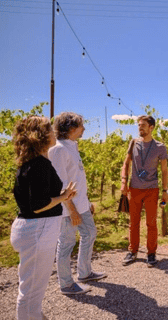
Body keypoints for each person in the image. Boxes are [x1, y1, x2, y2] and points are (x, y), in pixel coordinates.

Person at [11, 116, 77, 319]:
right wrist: (63, 197)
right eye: (49, 129)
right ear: (40, 136)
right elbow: (38, 206)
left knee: (30, 288)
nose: (53, 133)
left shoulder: (33, 163)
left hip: (32, 229)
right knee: (31, 293)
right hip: (37, 230)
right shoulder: (39, 165)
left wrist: (62, 196)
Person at [49, 112, 106, 295]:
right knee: (66, 244)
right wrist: (72, 210)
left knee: (89, 233)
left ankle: (85, 272)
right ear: (71, 128)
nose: (84, 129)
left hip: (81, 204)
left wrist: (86, 202)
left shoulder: (72, 146)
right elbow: (60, 185)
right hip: (67, 209)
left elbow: (77, 178)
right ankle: (66, 284)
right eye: (81, 125)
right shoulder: (58, 149)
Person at [121, 115, 168, 267]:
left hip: (151, 190)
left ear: (151, 127)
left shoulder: (160, 147)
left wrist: (165, 191)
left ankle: (151, 253)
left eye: (143, 125)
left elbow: (164, 170)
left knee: (151, 223)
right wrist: (124, 182)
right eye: (138, 125)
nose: (140, 128)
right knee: (133, 223)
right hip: (134, 189)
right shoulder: (133, 143)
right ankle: (133, 251)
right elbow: (126, 163)